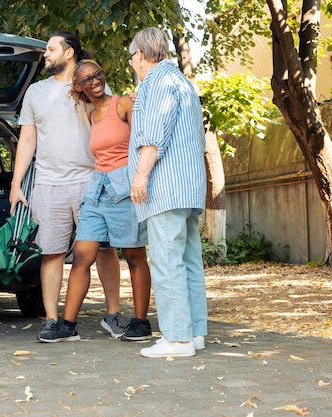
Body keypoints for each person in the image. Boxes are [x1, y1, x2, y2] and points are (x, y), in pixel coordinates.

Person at [8, 31, 123, 340]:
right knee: (52, 254)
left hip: (92, 181)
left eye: (51, 48)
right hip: (48, 183)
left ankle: (113, 314)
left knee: (105, 250)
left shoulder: (94, 86)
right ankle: (51, 319)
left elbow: (113, 128)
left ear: (69, 53)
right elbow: (27, 140)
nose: (45, 54)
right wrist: (16, 184)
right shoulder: (34, 92)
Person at [38, 60, 152, 343]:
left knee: (134, 255)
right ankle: (67, 325)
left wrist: (141, 179)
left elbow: (145, 139)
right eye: (87, 79)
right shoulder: (92, 115)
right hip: (97, 191)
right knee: (81, 255)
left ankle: (140, 323)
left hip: (124, 190)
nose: (95, 81)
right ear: (78, 86)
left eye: (98, 75)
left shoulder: (123, 104)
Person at [127, 27, 208, 358]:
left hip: (165, 188)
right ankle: (194, 332)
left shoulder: (156, 82)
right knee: (189, 261)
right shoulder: (181, 82)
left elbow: (153, 137)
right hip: (187, 189)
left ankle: (177, 339)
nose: (132, 62)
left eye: (131, 56)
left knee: (166, 261)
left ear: (142, 55)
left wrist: (139, 176)